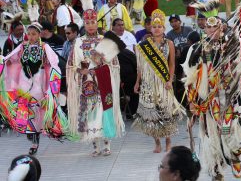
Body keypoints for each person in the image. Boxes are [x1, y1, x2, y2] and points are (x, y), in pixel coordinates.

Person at [182, 0, 241, 179]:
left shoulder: (231, 43)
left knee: (230, 130)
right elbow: (190, 77)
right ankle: (216, 168)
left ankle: (235, 158)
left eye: (216, 27)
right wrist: (192, 101)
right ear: (204, 29)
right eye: (209, 29)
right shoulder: (196, 49)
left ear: (221, 26)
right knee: (211, 136)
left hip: (230, 96)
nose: (213, 31)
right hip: (208, 101)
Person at [0, 22, 68, 155]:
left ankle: (35, 141)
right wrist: (5, 62)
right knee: (24, 112)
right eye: (29, 34)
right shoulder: (22, 46)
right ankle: (30, 133)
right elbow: (11, 58)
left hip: (39, 83)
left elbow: (54, 62)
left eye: (34, 34)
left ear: (39, 35)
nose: (31, 37)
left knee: (36, 112)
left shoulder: (44, 47)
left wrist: (52, 79)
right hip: (23, 83)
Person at [67, 9, 125, 157]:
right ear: (84, 25)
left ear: (96, 23)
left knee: (104, 109)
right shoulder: (78, 42)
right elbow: (72, 65)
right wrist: (82, 72)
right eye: (87, 23)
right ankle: (94, 145)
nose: (91, 25)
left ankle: (107, 144)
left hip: (104, 80)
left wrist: (102, 67)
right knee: (90, 112)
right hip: (87, 83)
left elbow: (115, 64)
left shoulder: (104, 40)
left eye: (93, 22)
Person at [134, 9, 183, 153]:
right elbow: (140, 66)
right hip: (148, 82)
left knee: (166, 111)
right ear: (150, 28)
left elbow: (172, 64)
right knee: (152, 113)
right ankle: (157, 142)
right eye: (154, 26)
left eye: (159, 26)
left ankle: (168, 140)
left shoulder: (169, 44)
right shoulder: (144, 45)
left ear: (163, 28)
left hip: (163, 81)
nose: (156, 29)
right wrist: (138, 82)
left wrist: (169, 79)